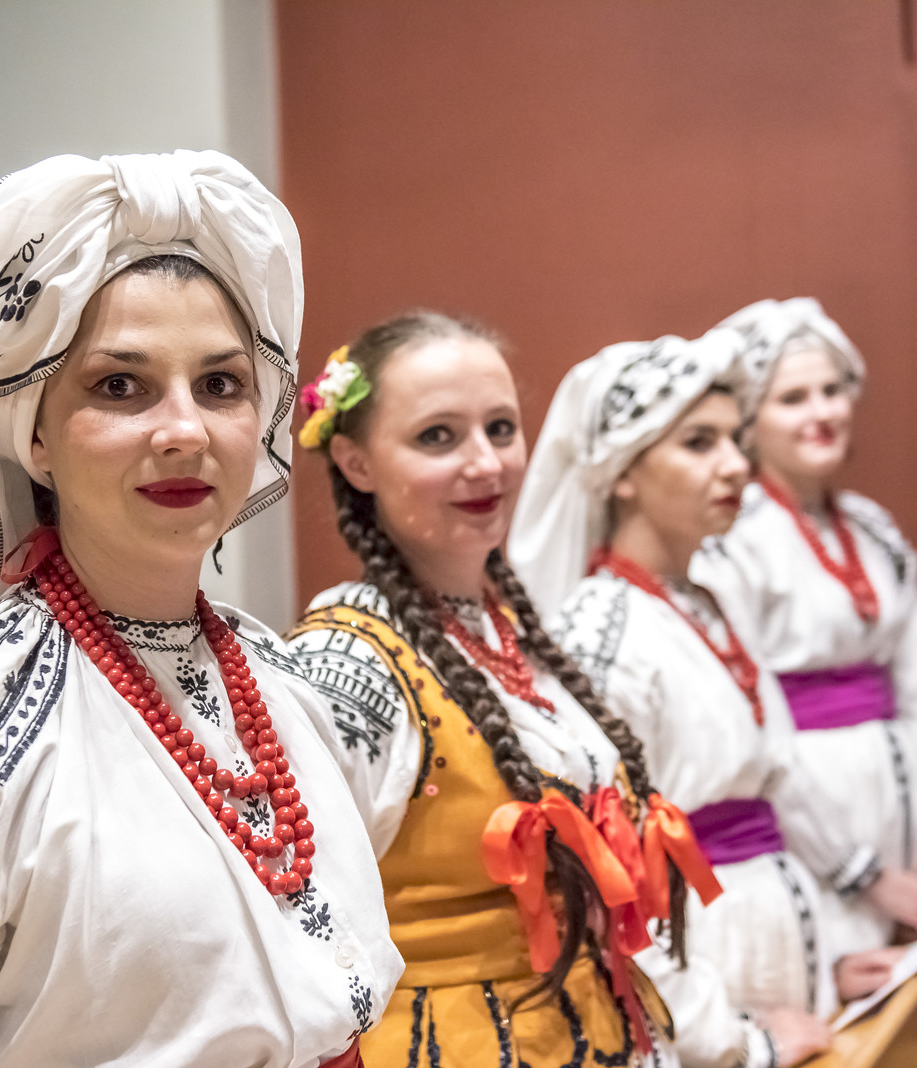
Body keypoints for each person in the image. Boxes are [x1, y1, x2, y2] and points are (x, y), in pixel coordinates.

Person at [0, 151, 402, 1067]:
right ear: (34, 433)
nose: (184, 429)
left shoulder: (283, 683)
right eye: (120, 386)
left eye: (220, 385)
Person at [285, 313, 715, 1068]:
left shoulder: (513, 629)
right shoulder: (346, 660)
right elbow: (298, 916)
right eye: (438, 437)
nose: (485, 462)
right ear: (356, 462)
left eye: (501, 429)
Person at [510, 334, 913, 1067]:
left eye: (734, 439)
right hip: (702, 1005)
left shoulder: (707, 601)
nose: (735, 465)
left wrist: (824, 964)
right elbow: (612, 883)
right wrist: (734, 1042)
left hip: (764, 972)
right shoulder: (600, 632)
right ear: (623, 474)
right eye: (699, 443)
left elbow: (760, 818)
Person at [695, 297, 917, 958]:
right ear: (750, 420)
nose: (821, 412)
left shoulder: (875, 530)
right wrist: (863, 875)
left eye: (831, 391)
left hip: (910, 841)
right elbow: (757, 735)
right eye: (793, 398)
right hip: (807, 849)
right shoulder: (731, 543)